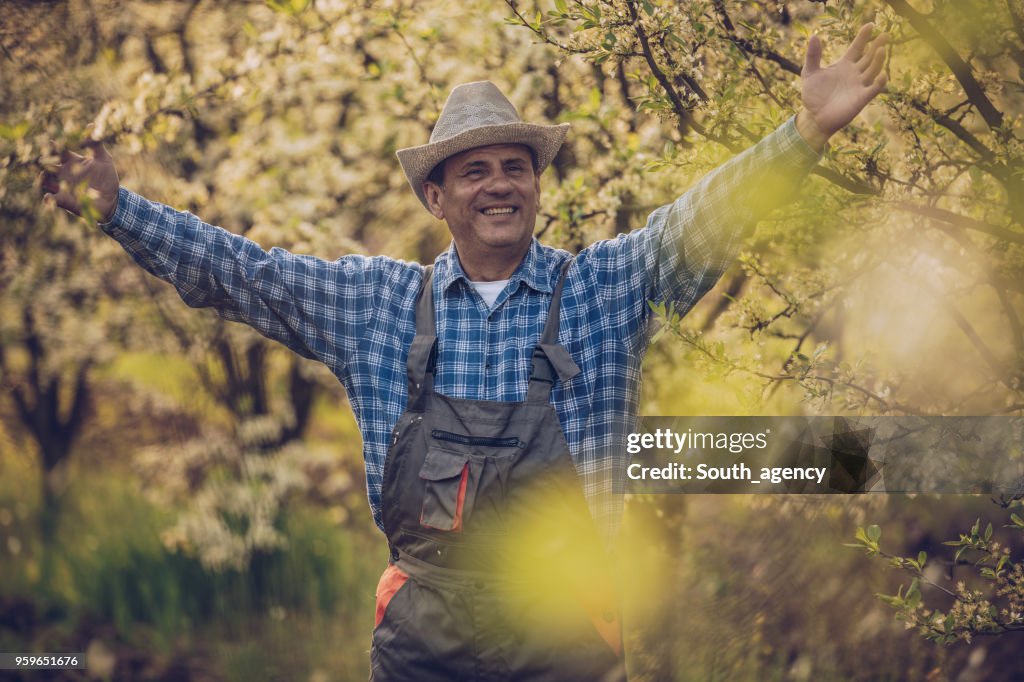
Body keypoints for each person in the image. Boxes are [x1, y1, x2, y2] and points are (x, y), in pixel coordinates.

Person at [41, 23, 888, 681]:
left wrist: (804, 133)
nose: (498, 185)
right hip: (425, 639)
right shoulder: (375, 304)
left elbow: (708, 215)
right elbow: (239, 273)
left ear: (537, 185)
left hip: (566, 627)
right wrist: (118, 209)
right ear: (436, 196)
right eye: (473, 170)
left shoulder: (601, 291)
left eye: (515, 166)